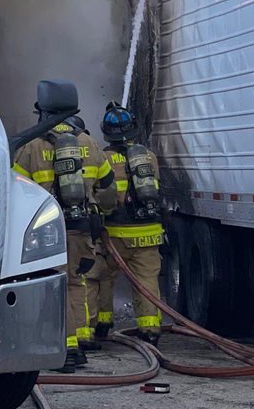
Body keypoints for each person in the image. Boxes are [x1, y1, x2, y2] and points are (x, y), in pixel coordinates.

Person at [12, 103, 117, 373]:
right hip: (83, 226)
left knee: (53, 285)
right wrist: (104, 211)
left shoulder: (32, 147)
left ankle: (67, 348)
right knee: (76, 281)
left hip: (48, 229)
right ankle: (81, 337)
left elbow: (17, 190)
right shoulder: (89, 143)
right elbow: (107, 188)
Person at [89, 102, 165, 345]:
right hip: (149, 233)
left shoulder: (103, 158)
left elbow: (101, 195)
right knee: (147, 281)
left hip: (114, 235)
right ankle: (150, 330)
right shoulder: (149, 157)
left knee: (103, 278)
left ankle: (102, 325)